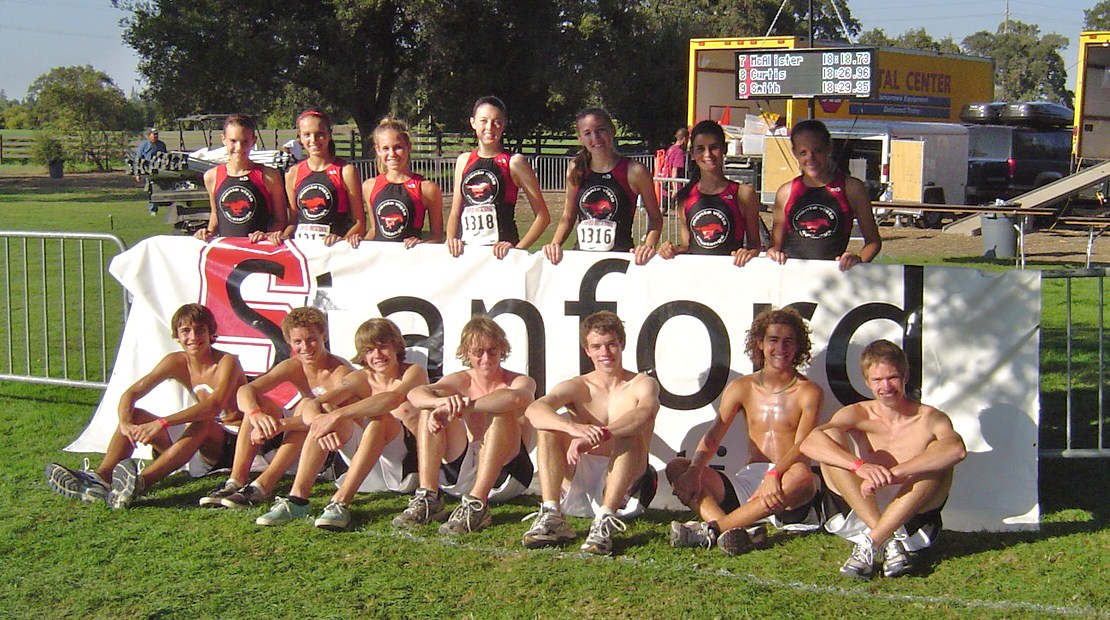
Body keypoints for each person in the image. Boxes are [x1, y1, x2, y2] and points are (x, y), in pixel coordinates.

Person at [45, 304, 247, 509]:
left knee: (202, 423)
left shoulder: (227, 362)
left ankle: (140, 483)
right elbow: (131, 394)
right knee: (136, 415)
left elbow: (213, 406)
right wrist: (125, 423)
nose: (193, 337)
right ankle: (101, 479)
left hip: (232, 442)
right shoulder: (175, 361)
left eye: (200, 330)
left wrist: (162, 423)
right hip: (197, 443)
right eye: (186, 331)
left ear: (211, 332)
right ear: (176, 335)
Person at [801, 339, 966, 580]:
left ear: (905, 375)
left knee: (938, 459)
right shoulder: (858, 413)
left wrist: (895, 473)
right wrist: (860, 466)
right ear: (867, 382)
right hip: (862, 509)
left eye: (892, 378)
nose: (885, 386)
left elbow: (956, 450)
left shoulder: (929, 417)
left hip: (911, 519)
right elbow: (810, 443)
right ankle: (887, 541)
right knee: (830, 443)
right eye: (877, 380)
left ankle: (873, 541)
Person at [665, 308, 822, 555]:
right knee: (678, 467)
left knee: (804, 475)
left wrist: (775, 475)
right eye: (773, 340)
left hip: (788, 479)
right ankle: (736, 531)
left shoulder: (809, 391)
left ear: (797, 347)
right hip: (749, 480)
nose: (780, 348)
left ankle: (714, 530)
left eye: (788, 341)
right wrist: (694, 471)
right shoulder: (742, 387)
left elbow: (803, 445)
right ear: (759, 343)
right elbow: (714, 435)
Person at [253, 318, 428, 530]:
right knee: (324, 410)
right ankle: (297, 499)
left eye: (383, 347)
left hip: (402, 470)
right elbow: (313, 403)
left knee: (378, 419)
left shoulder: (413, 372)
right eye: (370, 350)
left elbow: (391, 399)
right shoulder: (360, 378)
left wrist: (336, 416)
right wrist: (321, 422)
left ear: (396, 347)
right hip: (363, 468)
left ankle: (340, 502)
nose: (377, 355)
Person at [521, 311, 660, 555]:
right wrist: (572, 428)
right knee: (549, 427)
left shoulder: (641, 383)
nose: (604, 353)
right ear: (587, 351)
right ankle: (552, 513)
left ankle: (605, 519)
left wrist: (603, 434)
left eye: (611, 345)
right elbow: (535, 409)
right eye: (596, 347)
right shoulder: (578, 385)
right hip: (577, 479)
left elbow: (645, 413)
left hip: (625, 482)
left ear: (622, 345)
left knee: (628, 430)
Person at [199, 307, 352, 513]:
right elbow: (246, 390)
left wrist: (280, 425)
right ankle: (236, 480)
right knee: (260, 404)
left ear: (324, 336)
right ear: (289, 342)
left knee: (308, 407)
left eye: (311, 339)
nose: (305, 347)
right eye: (298, 342)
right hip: (303, 438)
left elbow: (329, 416)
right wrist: (256, 416)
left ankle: (263, 486)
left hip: (331, 444)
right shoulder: (294, 365)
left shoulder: (339, 371)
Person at [392, 316, 535, 534]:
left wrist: (463, 406)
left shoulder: (518, 380)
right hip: (462, 471)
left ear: (502, 349)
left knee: (500, 412)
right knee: (429, 410)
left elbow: (516, 399)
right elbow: (415, 394)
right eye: (478, 352)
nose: (486, 358)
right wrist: (439, 403)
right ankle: (429, 496)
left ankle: (477, 504)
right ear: (467, 353)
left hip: (506, 475)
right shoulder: (460, 380)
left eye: (492, 351)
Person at [543, 108, 663, 266]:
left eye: (600, 130)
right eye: (587, 133)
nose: (596, 138)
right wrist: (555, 244)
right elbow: (568, 216)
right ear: (580, 139)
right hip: (582, 260)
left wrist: (648, 246)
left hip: (620, 260)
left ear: (612, 131)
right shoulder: (576, 168)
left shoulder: (634, 171)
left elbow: (655, 218)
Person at [766, 119, 881, 271]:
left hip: (833, 277)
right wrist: (773, 252)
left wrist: (857, 261)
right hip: (792, 277)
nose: (811, 159)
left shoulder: (852, 188)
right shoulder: (786, 192)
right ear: (794, 153)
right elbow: (775, 246)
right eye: (803, 153)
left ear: (829, 148)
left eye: (817, 151)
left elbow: (873, 242)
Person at [445, 96, 551, 259]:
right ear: (473, 123)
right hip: (467, 253)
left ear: (504, 124)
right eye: (483, 121)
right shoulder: (464, 161)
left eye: (496, 122)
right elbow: (455, 212)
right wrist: (451, 240)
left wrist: (518, 249)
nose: (489, 127)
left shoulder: (514, 162)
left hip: (501, 255)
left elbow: (543, 216)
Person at [657, 120, 762, 266]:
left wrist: (747, 253)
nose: (708, 154)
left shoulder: (743, 194)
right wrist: (671, 249)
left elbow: (755, 245)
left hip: (732, 277)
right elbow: (688, 246)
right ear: (692, 153)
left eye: (714, 147)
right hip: (698, 278)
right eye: (700, 149)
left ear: (724, 149)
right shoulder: (685, 197)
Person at [276, 108, 365, 247]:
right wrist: (283, 236)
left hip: (334, 253)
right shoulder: (292, 173)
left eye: (320, 134)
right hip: (304, 253)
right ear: (300, 138)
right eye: (307, 135)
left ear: (329, 134)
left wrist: (341, 242)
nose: (313, 140)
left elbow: (359, 223)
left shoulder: (345, 171)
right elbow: (293, 222)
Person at [194, 113, 288, 243]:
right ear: (223, 139)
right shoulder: (211, 176)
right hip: (227, 255)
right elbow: (216, 215)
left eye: (245, 141)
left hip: (259, 252)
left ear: (253, 141)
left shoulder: (268, 176)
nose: (239, 147)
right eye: (233, 141)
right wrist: (206, 233)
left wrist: (267, 235)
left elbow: (281, 219)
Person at [364, 118, 444, 247]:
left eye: (398, 147)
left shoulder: (426, 188)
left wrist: (420, 244)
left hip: (410, 262)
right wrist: (356, 246)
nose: (392, 154)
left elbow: (437, 237)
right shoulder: (370, 186)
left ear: (408, 147)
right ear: (378, 150)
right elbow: (374, 230)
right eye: (385, 148)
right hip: (380, 263)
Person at [135, 127, 168, 215]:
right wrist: (138, 174)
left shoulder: (161, 144)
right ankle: (153, 209)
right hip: (148, 171)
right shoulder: (144, 145)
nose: (156, 136)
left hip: (160, 170)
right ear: (149, 135)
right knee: (151, 189)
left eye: (157, 134)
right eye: (154, 134)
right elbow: (138, 159)